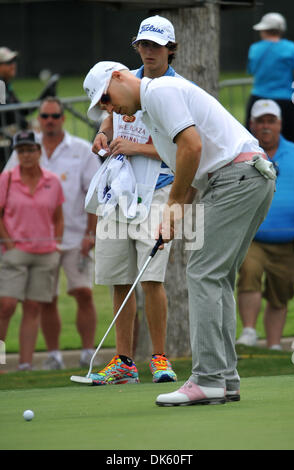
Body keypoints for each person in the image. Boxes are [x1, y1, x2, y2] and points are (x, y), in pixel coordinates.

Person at [83, 60, 276, 405]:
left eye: (107, 98)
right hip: (245, 178)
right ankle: (225, 380)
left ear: (118, 77)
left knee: (201, 272)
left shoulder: (158, 91)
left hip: (236, 179)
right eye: (103, 107)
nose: (110, 109)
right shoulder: (153, 109)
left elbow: (192, 147)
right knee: (217, 277)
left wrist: (172, 206)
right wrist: (176, 212)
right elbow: (188, 163)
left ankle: (207, 379)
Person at [86, 16, 180, 386]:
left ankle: (159, 357)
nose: (149, 51)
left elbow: (183, 149)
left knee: (151, 279)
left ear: (170, 48)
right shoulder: (122, 79)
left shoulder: (175, 90)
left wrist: (137, 147)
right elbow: (112, 120)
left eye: (156, 45)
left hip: (158, 190)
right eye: (143, 44)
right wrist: (102, 134)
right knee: (119, 278)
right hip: (119, 190)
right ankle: (124, 361)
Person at [4, 97, 101, 369]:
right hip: (35, 241)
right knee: (45, 300)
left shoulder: (81, 150)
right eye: (44, 116)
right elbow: (8, 186)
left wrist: (90, 234)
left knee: (83, 293)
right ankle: (54, 355)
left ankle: (87, 351)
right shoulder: (24, 147)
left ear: (63, 118)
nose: (49, 121)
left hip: (75, 236)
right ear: (40, 118)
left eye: (54, 116)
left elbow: (92, 195)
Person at [236, 99, 294, 350]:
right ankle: (250, 332)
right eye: (260, 121)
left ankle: (273, 346)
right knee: (249, 274)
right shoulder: (243, 153)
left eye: (270, 121)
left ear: (280, 124)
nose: (265, 126)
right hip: (253, 235)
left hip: (291, 240)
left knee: (280, 293)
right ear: (251, 124)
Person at [0, 130, 64, 370]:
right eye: (21, 151)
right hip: (15, 250)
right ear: (16, 154)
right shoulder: (6, 179)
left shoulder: (52, 181)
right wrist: (7, 242)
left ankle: (25, 364)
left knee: (34, 307)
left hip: (46, 252)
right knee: (5, 306)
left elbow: (58, 217)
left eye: (30, 150)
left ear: (39, 151)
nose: (26, 155)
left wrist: (56, 244)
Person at [0, 47, 59, 171]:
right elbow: (7, 113)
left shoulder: (5, 85)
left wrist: (44, 96)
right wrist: (25, 123)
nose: (13, 66)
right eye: (8, 63)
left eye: (14, 62)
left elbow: (21, 110)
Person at [245, 12, 294, 143]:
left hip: (258, 97)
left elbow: (251, 70)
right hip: (286, 100)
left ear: (264, 30)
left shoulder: (254, 48)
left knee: (253, 139)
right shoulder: (291, 48)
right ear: (280, 30)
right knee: (289, 139)